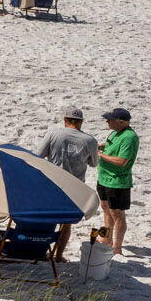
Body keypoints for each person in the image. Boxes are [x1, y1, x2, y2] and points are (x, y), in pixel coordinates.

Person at [93, 107, 139, 254]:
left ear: (121, 121)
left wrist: (100, 154)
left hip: (117, 181)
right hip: (104, 178)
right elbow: (111, 145)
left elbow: (122, 161)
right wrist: (100, 145)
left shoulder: (129, 137)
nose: (107, 121)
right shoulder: (115, 133)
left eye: (110, 119)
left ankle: (117, 248)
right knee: (105, 209)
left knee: (117, 214)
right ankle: (106, 238)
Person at [36, 106, 98, 181]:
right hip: (77, 184)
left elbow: (37, 156)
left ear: (65, 120)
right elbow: (93, 164)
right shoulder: (91, 140)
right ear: (81, 121)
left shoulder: (52, 134)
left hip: (54, 182)